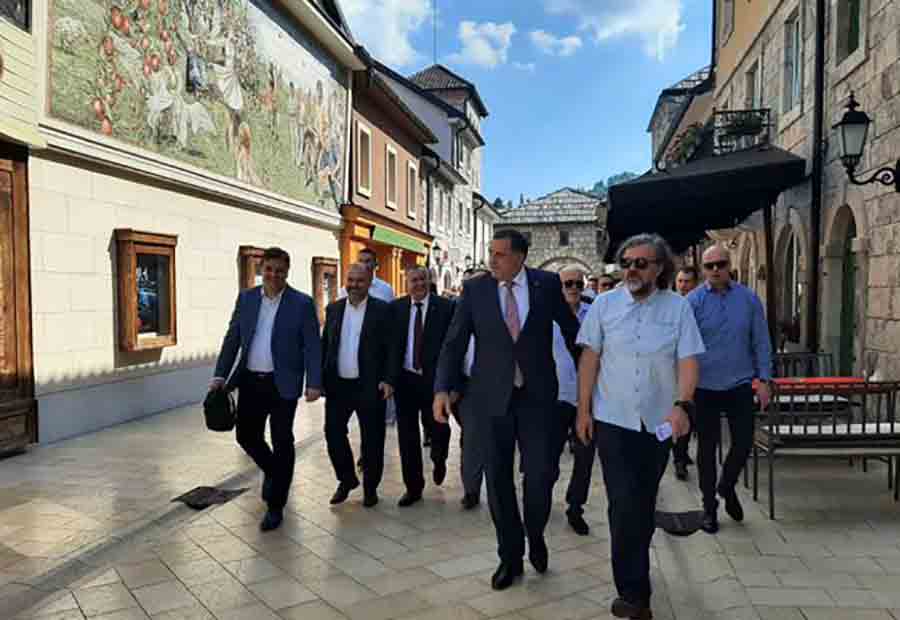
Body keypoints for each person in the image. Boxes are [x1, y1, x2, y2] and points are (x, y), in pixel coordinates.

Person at [434, 229, 580, 591]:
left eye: (500, 254)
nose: (492, 260)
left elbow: (573, 333)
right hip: (491, 399)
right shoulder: (475, 290)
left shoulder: (547, 285)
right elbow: (454, 343)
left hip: (537, 398)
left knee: (541, 475)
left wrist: (594, 382)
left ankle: (536, 535)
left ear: (520, 257)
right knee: (498, 481)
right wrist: (442, 388)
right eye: (491, 253)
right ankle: (509, 557)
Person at [576, 234, 704, 620]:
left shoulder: (678, 309)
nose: (632, 269)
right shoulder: (603, 305)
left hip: (658, 423)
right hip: (613, 420)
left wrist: (683, 406)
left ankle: (636, 561)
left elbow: (688, 360)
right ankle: (634, 593)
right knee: (622, 503)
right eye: (627, 262)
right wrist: (583, 410)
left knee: (642, 499)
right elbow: (590, 358)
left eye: (641, 263)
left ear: (659, 268)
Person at [210, 247, 322, 532]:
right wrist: (220, 374)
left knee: (282, 439)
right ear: (262, 270)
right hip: (250, 380)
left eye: (279, 271)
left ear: (287, 272)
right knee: (246, 435)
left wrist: (314, 382)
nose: (273, 275)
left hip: (282, 382)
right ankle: (274, 472)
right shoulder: (247, 299)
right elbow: (232, 338)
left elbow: (312, 345)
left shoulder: (302, 303)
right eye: (269, 270)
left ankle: (275, 505)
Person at [688, 245, 772, 534]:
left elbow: (761, 340)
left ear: (729, 266)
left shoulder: (749, 300)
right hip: (704, 387)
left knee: (744, 441)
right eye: (709, 266)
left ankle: (727, 485)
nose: (715, 270)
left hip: (739, 383)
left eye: (720, 264)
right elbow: (682, 347)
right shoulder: (692, 303)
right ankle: (709, 507)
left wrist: (764, 379)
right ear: (703, 269)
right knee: (706, 450)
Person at [321, 263, 395, 508]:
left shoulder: (383, 311)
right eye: (350, 280)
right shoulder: (333, 309)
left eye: (359, 281)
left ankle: (370, 488)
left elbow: (391, 350)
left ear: (370, 281)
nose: (353, 285)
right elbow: (325, 347)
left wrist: (388, 379)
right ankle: (347, 479)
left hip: (370, 385)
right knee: (332, 433)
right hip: (338, 386)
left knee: (372, 439)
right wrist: (319, 381)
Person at [390, 266, 455, 507]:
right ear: (406, 282)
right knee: (407, 437)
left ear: (429, 281)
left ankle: (439, 458)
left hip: (434, 382)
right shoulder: (396, 308)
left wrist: (449, 384)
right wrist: (389, 379)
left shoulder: (446, 308)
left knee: (438, 428)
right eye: (413, 280)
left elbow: (453, 348)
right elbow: (391, 347)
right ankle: (413, 487)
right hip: (405, 380)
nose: (418, 284)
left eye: (421, 280)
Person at [552, 265, 594, 536]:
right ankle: (541, 497)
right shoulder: (548, 317)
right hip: (556, 398)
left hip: (587, 399)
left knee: (585, 457)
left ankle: (575, 506)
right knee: (547, 457)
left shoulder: (594, 316)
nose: (574, 289)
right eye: (568, 284)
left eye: (578, 284)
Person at [453, 267, 490, 510]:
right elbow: (449, 351)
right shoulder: (456, 312)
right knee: (471, 438)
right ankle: (472, 489)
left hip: (497, 385)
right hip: (467, 385)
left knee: (487, 439)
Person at [672, 264, 701, 480]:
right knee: (680, 413)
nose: (683, 285)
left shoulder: (699, 305)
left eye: (687, 281)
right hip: (677, 373)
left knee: (691, 417)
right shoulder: (671, 306)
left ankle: (680, 452)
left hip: (700, 371)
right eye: (680, 281)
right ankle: (678, 458)